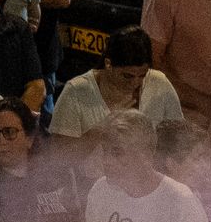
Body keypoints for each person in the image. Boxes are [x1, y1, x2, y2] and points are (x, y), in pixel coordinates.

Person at [84, 108, 211, 222]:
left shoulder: (181, 200)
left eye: (117, 153)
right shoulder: (100, 190)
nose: (106, 161)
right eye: (105, 151)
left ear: (145, 155)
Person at [51, 26, 183, 148]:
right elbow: (60, 156)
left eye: (142, 75)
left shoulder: (159, 83)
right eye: (128, 76)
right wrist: (104, 126)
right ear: (108, 64)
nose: (136, 83)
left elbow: (179, 139)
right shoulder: (76, 91)